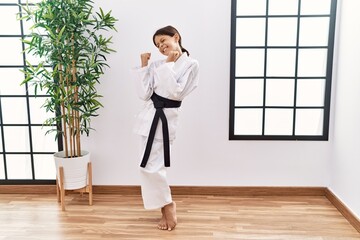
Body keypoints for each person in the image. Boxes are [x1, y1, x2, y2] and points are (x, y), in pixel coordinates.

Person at [131, 25, 199, 231]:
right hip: (148, 118)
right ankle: (165, 205)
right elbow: (144, 94)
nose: (161, 46)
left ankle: (168, 206)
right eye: (158, 44)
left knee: (152, 167)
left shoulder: (191, 64)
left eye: (163, 41)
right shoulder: (159, 64)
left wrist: (168, 65)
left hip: (165, 119)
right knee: (147, 167)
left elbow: (174, 93)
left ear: (175, 37)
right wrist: (144, 66)